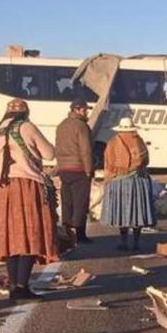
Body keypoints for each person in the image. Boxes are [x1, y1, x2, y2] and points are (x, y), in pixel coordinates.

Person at [0, 98, 59, 304]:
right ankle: (21, 287)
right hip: (24, 185)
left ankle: (14, 286)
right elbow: (49, 153)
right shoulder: (26, 127)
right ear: (25, 112)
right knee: (30, 234)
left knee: (11, 239)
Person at [101, 117, 157, 251]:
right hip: (137, 181)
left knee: (123, 211)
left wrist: (109, 178)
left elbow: (109, 163)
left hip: (119, 181)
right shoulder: (138, 141)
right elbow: (145, 160)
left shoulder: (113, 142)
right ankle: (136, 242)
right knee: (138, 211)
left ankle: (123, 240)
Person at [55, 98, 94, 244]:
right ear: (76, 110)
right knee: (80, 202)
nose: (86, 112)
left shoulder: (61, 125)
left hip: (64, 169)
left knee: (67, 201)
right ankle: (80, 234)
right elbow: (86, 150)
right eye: (84, 109)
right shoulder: (81, 126)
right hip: (79, 169)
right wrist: (89, 170)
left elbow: (57, 147)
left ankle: (67, 231)